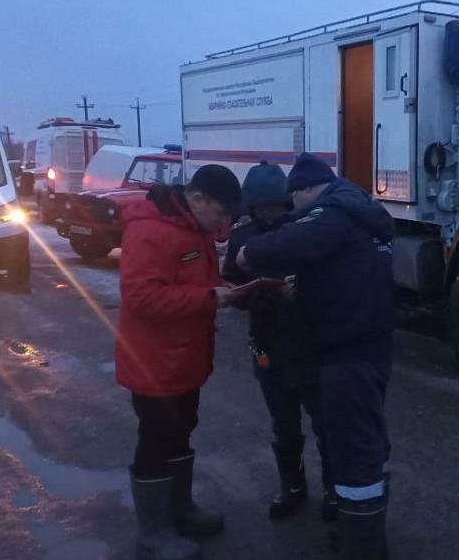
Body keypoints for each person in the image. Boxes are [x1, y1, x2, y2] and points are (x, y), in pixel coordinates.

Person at [235, 153, 394, 560]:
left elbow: (286, 245)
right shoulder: (356, 212)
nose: (284, 210)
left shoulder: (332, 215)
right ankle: (351, 525)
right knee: (359, 445)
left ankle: (360, 545)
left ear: (304, 191)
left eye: (289, 200)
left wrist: (250, 256)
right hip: (354, 348)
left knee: (352, 452)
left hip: (341, 355)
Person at [116, 164, 241, 560]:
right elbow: (143, 298)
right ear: (198, 198)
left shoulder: (195, 229)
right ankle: (154, 532)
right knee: (155, 442)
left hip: (186, 360)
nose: (225, 222)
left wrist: (224, 289)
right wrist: (208, 299)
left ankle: (180, 511)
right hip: (154, 364)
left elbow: (193, 283)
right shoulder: (148, 231)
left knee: (182, 433)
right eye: (222, 212)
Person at [221, 160, 337, 522]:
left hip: (309, 344)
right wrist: (256, 296)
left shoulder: (305, 230)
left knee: (325, 423)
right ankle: (292, 487)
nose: (270, 215)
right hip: (267, 343)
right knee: (283, 424)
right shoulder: (242, 237)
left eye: (275, 207)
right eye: (262, 209)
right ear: (251, 207)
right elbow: (229, 284)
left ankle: (335, 491)